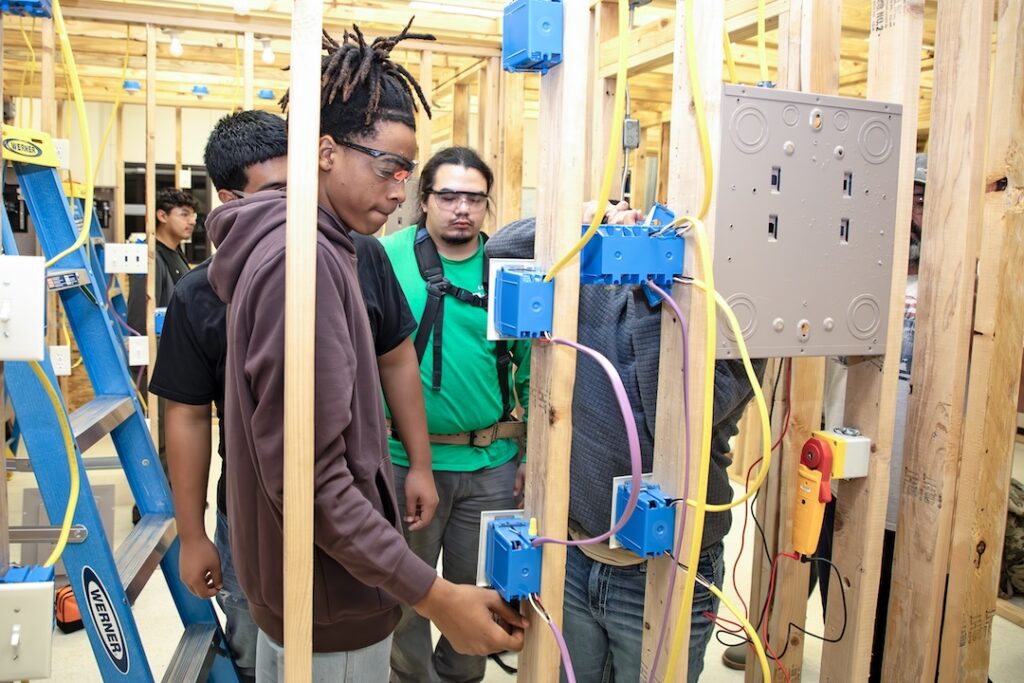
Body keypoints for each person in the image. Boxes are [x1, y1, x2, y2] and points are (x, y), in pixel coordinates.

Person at [205, 23, 527, 681]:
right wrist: (438, 597)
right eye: (389, 167)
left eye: (409, 172)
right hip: (332, 606)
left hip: (302, 593)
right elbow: (314, 482)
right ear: (325, 150)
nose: (399, 188)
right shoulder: (306, 263)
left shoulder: (303, 246)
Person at [148, 109, 439, 681]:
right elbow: (186, 416)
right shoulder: (203, 293)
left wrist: (419, 465)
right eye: (279, 191)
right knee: (260, 649)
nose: (299, 204)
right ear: (232, 200)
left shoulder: (359, 254)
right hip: (256, 511)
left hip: (347, 507)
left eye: (302, 184)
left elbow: (396, 356)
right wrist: (192, 532)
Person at [486, 202, 765, 683]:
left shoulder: (735, 326)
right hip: (575, 555)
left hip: (668, 566)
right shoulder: (596, 278)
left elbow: (668, 417)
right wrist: (585, 216)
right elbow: (502, 248)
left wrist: (653, 296)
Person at [382, 146, 531, 683]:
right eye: (448, 196)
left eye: (474, 198)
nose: (461, 208)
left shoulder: (508, 270)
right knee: (405, 594)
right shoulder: (385, 257)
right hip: (400, 462)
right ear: (425, 201)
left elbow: (533, 362)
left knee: (486, 593)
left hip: (490, 464)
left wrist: (531, 453)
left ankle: (462, 676)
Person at [127, 187, 196, 335]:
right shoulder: (151, 257)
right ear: (162, 216)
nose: (192, 221)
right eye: (184, 215)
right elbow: (140, 319)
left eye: (193, 215)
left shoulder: (175, 252)